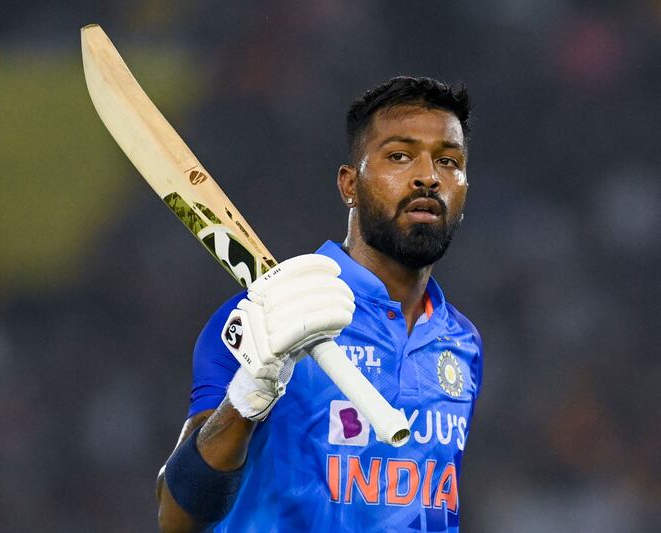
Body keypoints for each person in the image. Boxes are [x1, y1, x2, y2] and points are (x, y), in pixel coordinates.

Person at [156, 76, 483, 532]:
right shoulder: (263, 316)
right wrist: (250, 393)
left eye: (449, 161)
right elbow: (177, 517)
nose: (429, 176)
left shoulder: (462, 343)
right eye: (399, 156)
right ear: (350, 184)